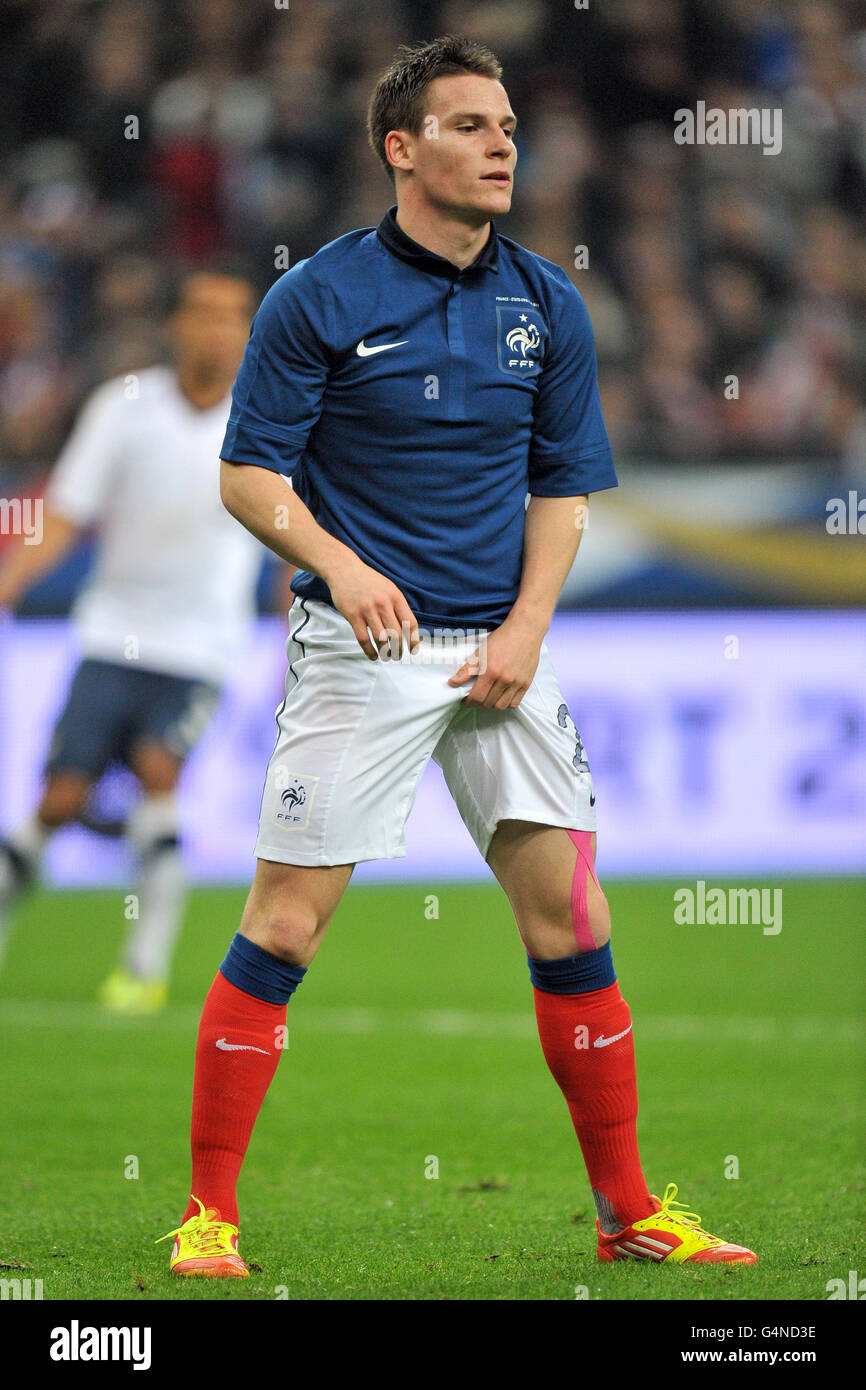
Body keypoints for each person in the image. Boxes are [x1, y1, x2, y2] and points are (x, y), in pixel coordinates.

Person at [159, 37, 756, 1277]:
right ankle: (209, 1215)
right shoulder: (315, 296)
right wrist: (344, 562)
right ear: (401, 146)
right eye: (471, 125)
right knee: (284, 926)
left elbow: (562, 487)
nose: (501, 146)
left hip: (502, 650)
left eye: (506, 127)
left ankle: (627, 1211)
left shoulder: (547, 302)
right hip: (361, 644)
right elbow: (246, 476)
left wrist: (529, 627)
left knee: (573, 919)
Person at [0, 267, 266, 1013]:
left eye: (231, 317)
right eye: (203, 314)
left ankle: (142, 967)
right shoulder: (124, 408)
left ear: (247, 333)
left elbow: (291, 534)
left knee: (158, 771)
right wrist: (13, 578)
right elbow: (67, 508)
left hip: (201, 645)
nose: (217, 330)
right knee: (58, 799)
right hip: (111, 632)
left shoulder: (267, 417)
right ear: (176, 326)